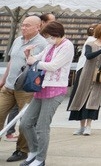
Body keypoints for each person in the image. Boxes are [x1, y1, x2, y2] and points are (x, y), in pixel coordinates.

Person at [18, 21, 73, 166]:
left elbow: (54, 65)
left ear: (56, 34)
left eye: (49, 36)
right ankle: (34, 152)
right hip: (41, 88)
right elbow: (37, 58)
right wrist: (29, 55)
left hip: (55, 89)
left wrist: (34, 62)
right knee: (25, 123)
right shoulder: (50, 45)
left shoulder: (67, 46)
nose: (47, 39)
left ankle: (40, 158)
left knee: (42, 126)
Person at [0, 15, 46, 163]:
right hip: (9, 86)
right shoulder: (17, 40)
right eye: (23, 25)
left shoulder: (42, 44)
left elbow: (39, 66)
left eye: (27, 25)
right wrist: (3, 80)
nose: (23, 28)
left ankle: (22, 150)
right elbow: (12, 60)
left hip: (25, 88)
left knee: (25, 121)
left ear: (38, 27)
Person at [67, 23, 101, 136]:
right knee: (82, 96)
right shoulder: (90, 43)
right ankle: (81, 126)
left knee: (94, 99)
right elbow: (89, 56)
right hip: (87, 72)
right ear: (99, 32)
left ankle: (89, 126)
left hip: (100, 74)